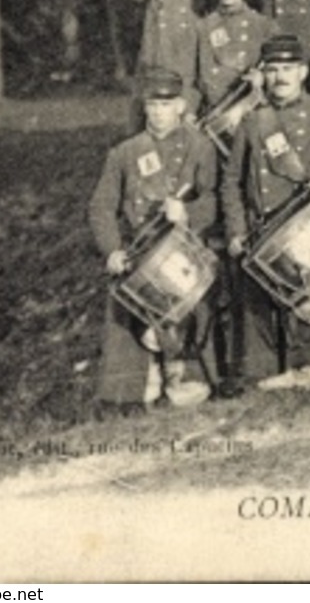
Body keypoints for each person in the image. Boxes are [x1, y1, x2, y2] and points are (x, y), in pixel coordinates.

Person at [221, 34, 310, 392]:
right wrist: (237, 231)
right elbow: (232, 183)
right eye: (272, 70)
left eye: (288, 68)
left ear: (303, 71)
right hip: (263, 236)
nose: (280, 77)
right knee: (264, 309)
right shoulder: (252, 123)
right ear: (263, 75)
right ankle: (275, 370)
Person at [88, 67, 219, 409]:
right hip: (140, 253)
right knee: (128, 298)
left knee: (193, 293)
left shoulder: (200, 146)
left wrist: (188, 213)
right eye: (153, 105)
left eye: (167, 104)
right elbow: (101, 207)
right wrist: (113, 249)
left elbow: (216, 198)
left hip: (186, 248)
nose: (159, 112)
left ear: (180, 106)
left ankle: (187, 375)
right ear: (144, 107)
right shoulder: (125, 153)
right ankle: (143, 383)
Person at [195, 0, 277, 118]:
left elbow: (277, 70)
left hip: (251, 107)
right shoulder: (203, 26)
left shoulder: (263, 25)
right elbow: (194, 75)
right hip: (214, 111)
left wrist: (263, 79)